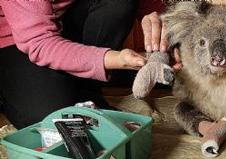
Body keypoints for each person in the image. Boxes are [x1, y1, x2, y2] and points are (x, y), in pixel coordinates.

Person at [0, 0, 181, 129]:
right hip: (19, 37)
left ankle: (88, 90)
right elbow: (39, 42)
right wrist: (115, 59)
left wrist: (165, 25)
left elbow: (151, 8)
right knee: (57, 120)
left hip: (63, 20)